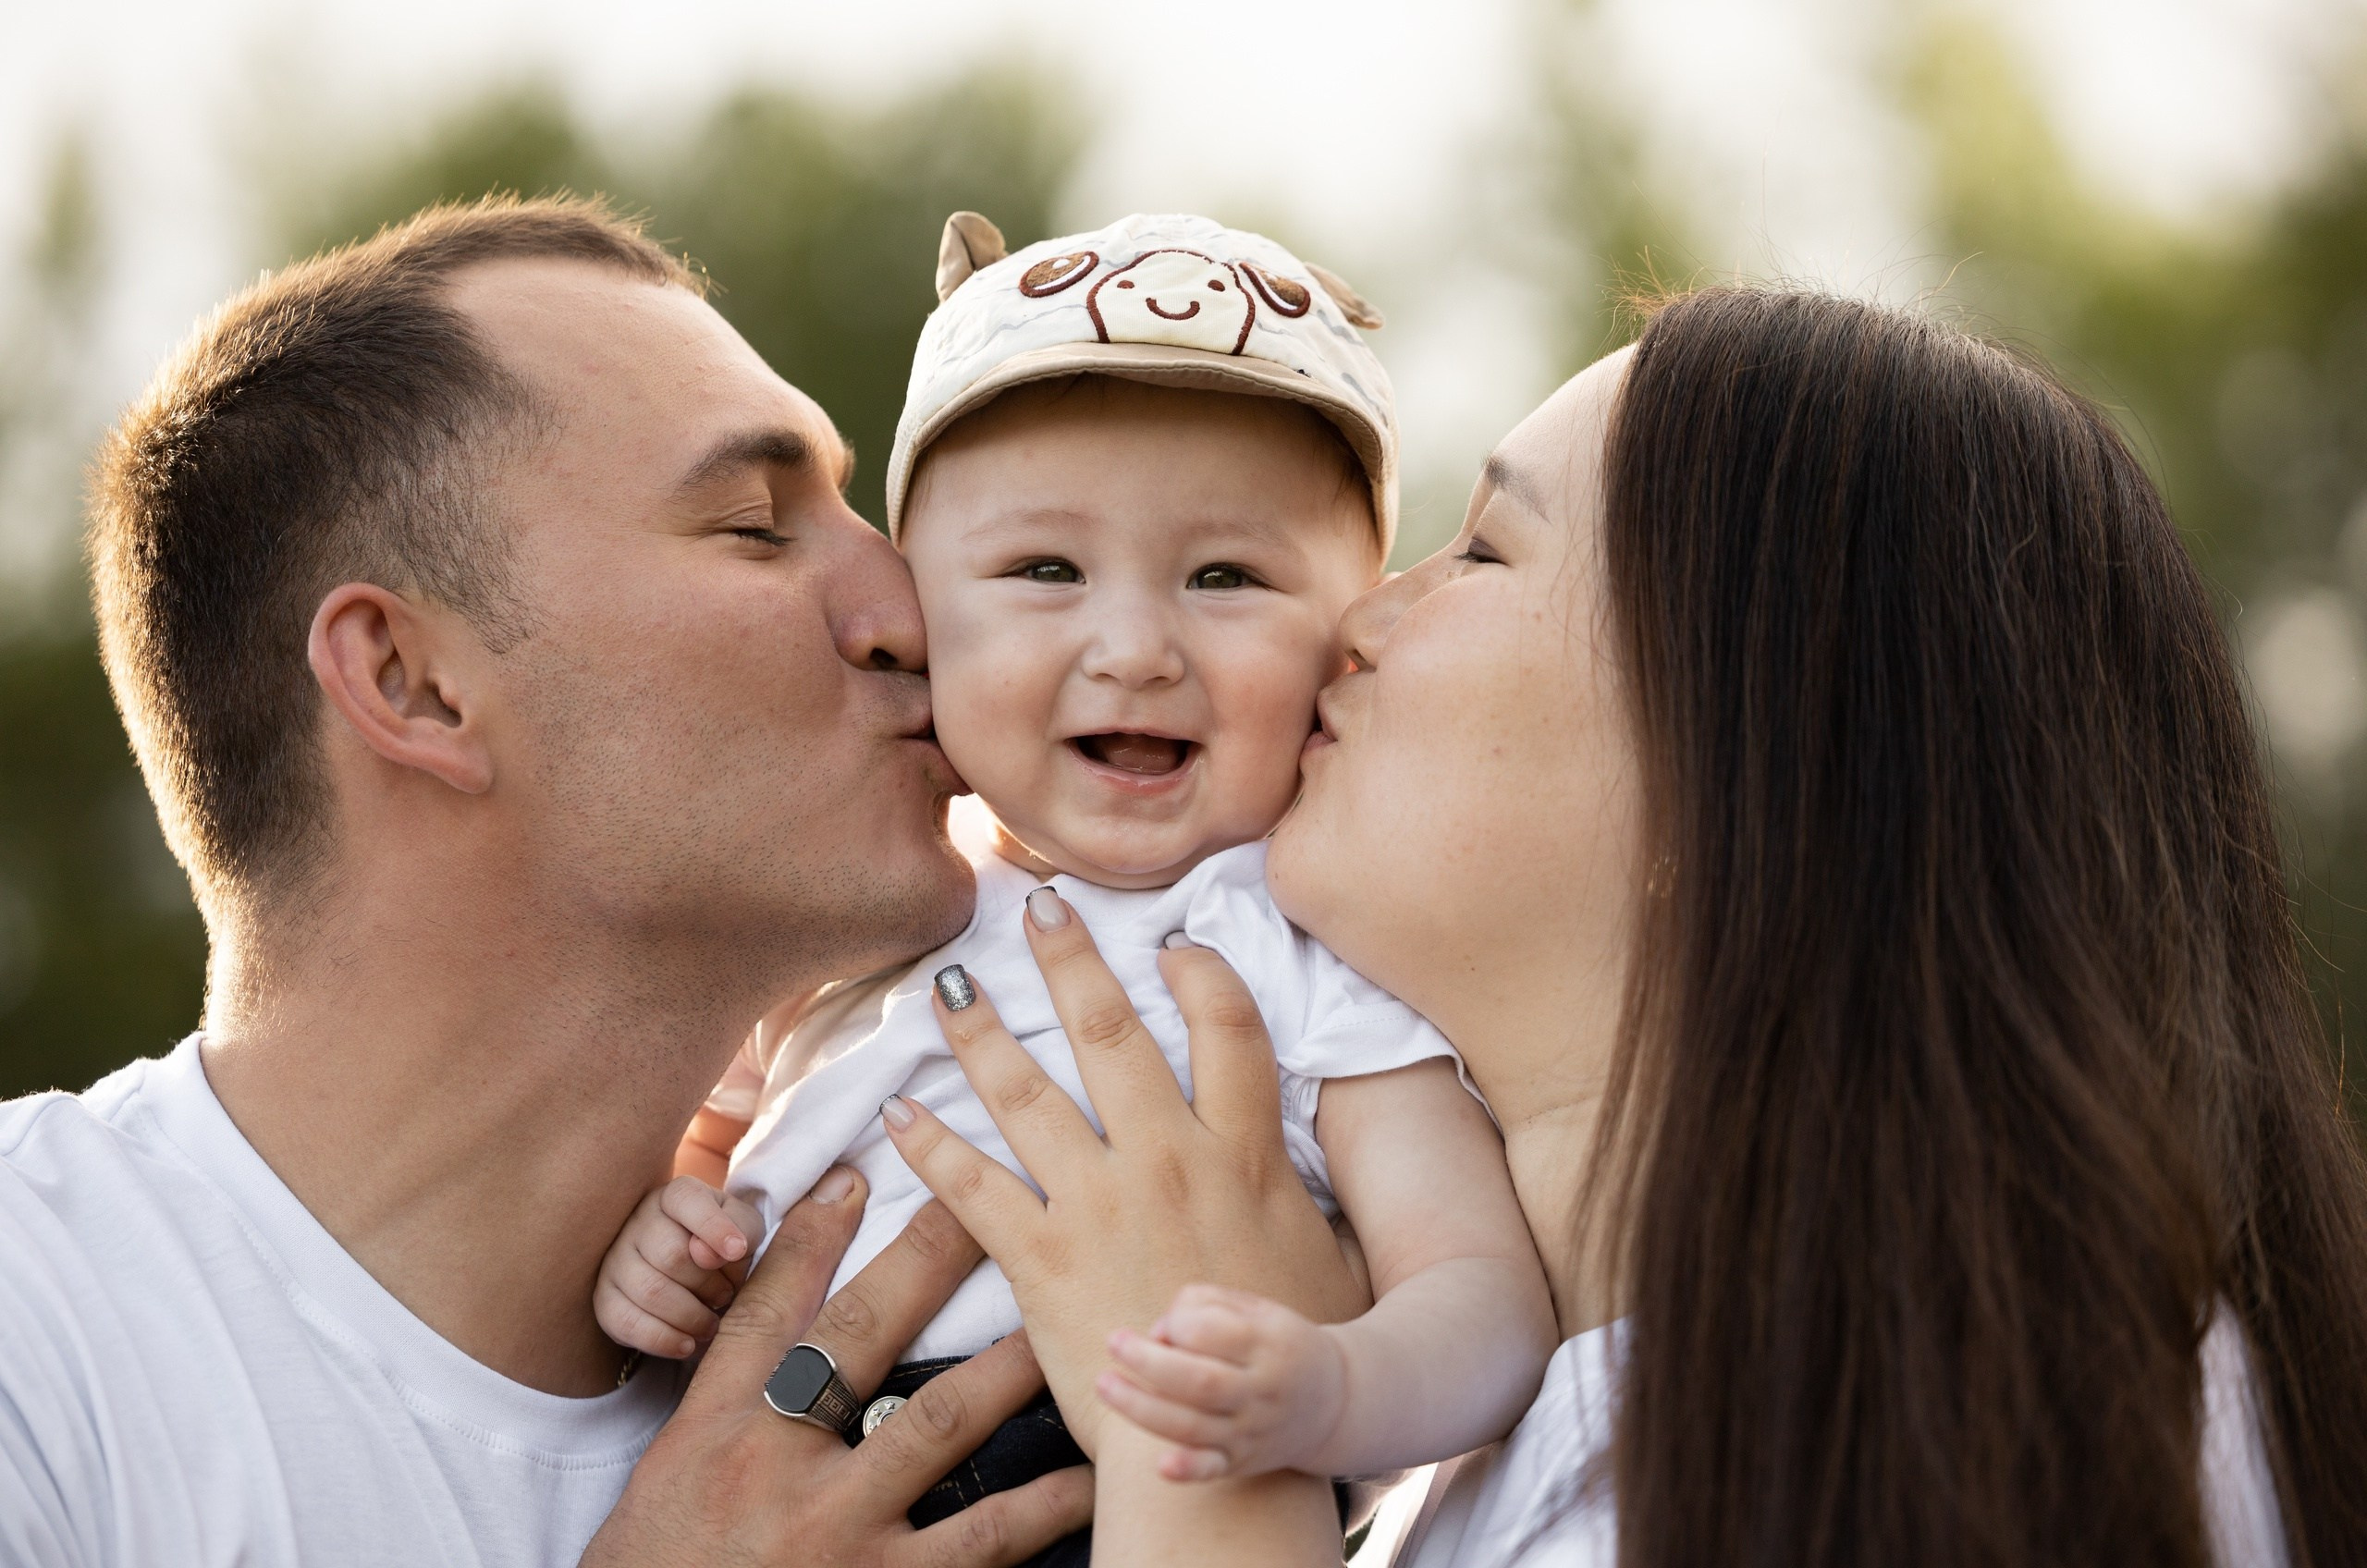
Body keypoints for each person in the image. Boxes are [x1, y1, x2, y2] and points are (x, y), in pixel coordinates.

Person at [880, 288, 2367, 1565]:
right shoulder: (1625, 1434)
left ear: (1748, 751)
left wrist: (1197, 1463)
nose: (1356, 620)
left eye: (1478, 552)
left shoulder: (1988, 1462)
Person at [0, 194, 1120, 1568]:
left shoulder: (1006, 1313)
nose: (914, 614)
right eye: (758, 527)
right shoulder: (34, 1320)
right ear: (413, 685)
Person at [592, 213, 1555, 1558]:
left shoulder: (1307, 944)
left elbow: (1487, 1302)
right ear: (921, 613)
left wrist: (1329, 1389)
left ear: (1353, 635)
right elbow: (714, 1155)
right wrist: (670, 1244)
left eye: (1227, 576)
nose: (1134, 646)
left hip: (1117, 1485)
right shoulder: (870, 905)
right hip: (790, 1473)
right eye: (1044, 571)